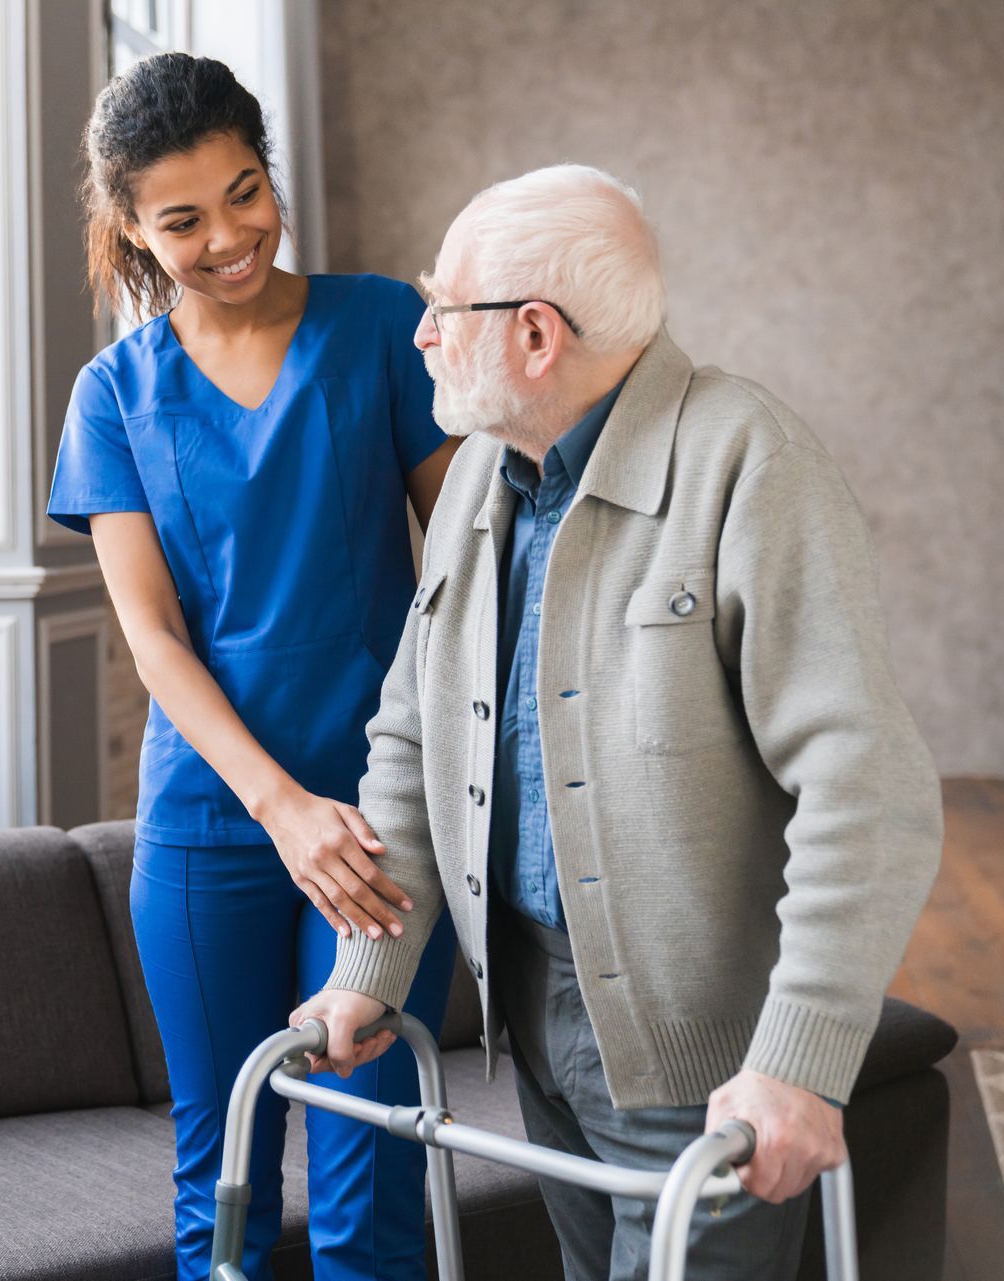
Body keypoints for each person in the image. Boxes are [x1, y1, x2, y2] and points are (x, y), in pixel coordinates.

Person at [289, 164, 943, 1281]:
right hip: (533, 1019)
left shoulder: (747, 461)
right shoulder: (482, 481)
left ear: (536, 335)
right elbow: (414, 734)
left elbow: (866, 789)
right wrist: (370, 966)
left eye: (441, 309)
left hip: (710, 1057)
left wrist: (799, 1062)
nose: (422, 338)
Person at [47, 51, 464, 1281]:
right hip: (210, 828)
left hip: (382, 824)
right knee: (219, 1176)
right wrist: (280, 810)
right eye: (182, 218)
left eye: (245, 193)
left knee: (371, 1176)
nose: (229, 236)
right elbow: (155, 640)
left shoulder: (384, 325)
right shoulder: (113, 395)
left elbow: (461, 576)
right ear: (129, 225)